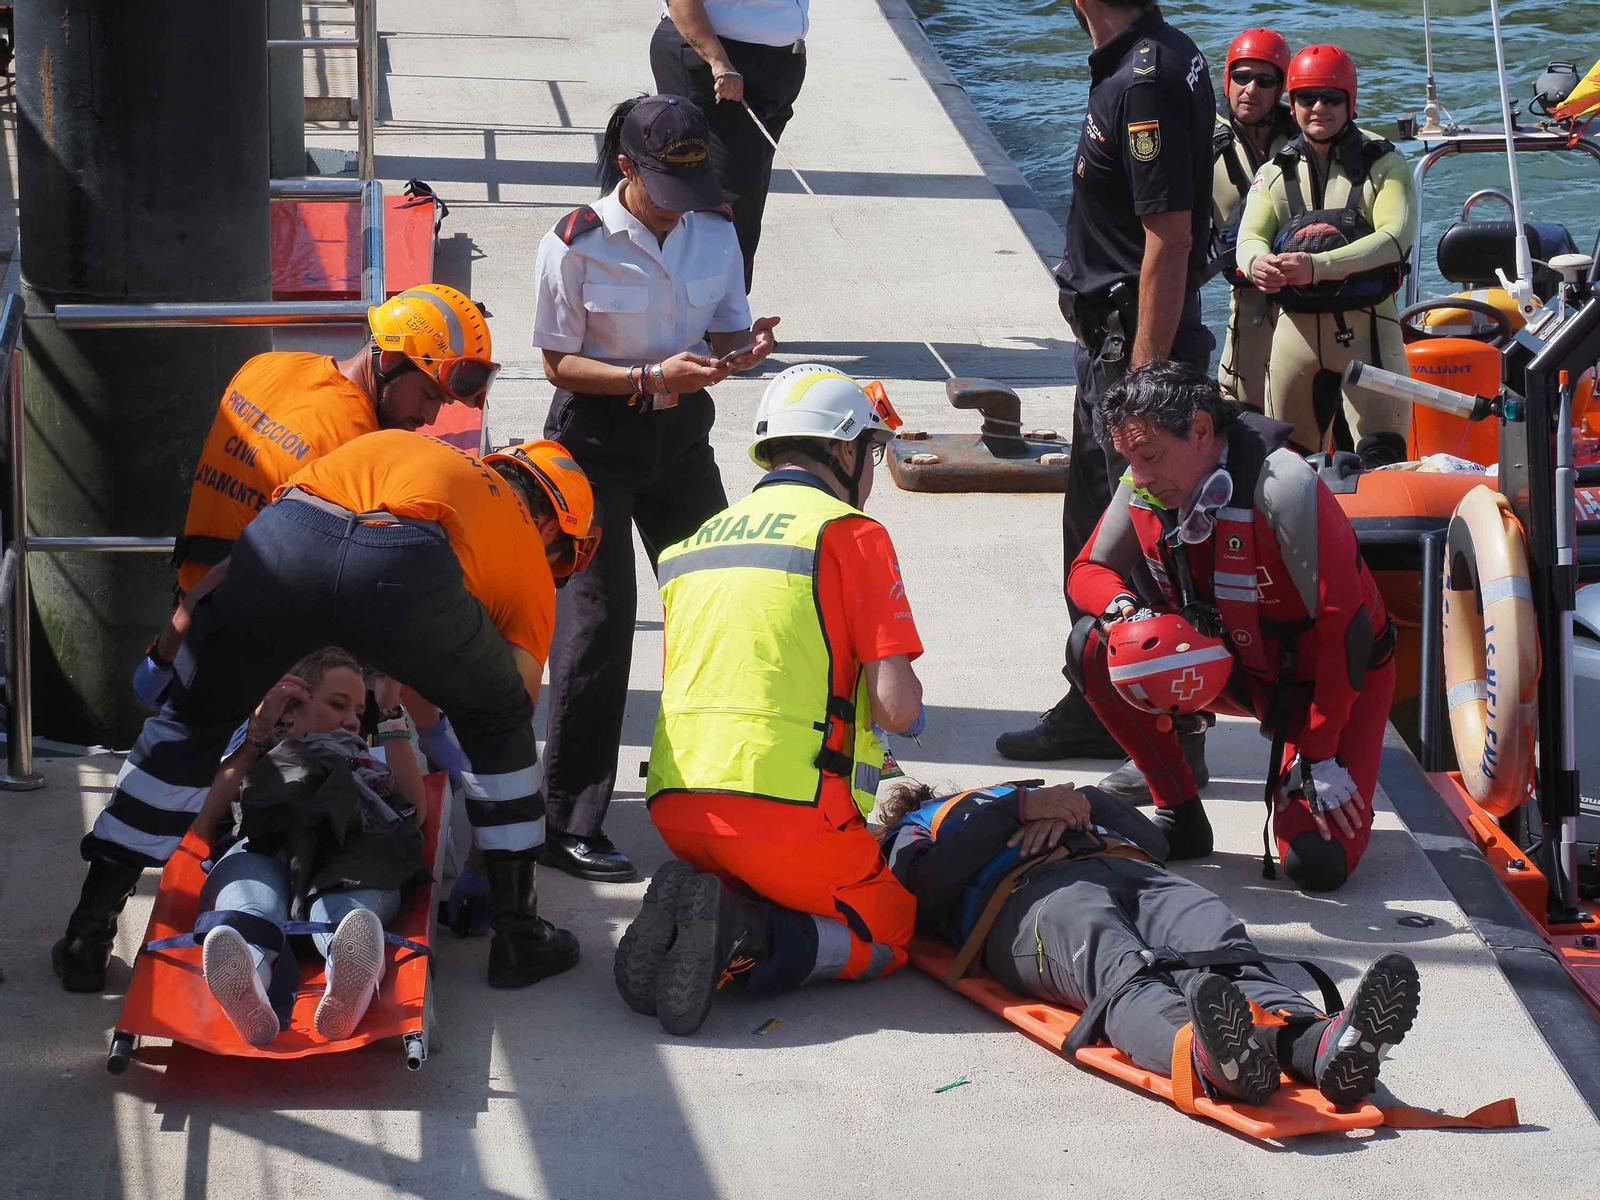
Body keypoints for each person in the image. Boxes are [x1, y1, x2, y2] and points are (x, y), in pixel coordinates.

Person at [52, 432, 597, 992]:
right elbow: (505, 724)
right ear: (553, 527)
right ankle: (519, 934)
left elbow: (226, 575)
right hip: (401, 565)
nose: (553, 567)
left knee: (188, 730)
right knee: (500, 720)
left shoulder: (405, 449)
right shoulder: (529, 555)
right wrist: (484, 872)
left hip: (289, 537)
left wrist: (167, 659)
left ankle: (87, 933)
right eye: (562, 558)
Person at [616, 366, 923, 1036]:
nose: (869, 471)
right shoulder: (849, 534)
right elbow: (897, 708)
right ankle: (747, 933)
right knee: (894, 931)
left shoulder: (693, 544)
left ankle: (712, 898)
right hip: (791, 820)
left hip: (678, 815)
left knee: (762, 870)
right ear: (842, 452)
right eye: (869, 452)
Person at [531, 93, 779, 883]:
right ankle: (567, 820)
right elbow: (557, 364)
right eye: (666, 196)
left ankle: (716, 784)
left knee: (721, 599)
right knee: (597, 627)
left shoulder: (716, 229)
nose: (681, 214)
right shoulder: (575, 244)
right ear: (627, 167)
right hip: (594, 442)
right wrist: (645, 375)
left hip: (682, 438)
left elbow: (728, 326)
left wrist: (746, 351)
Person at [879, 778, 1422, 1108]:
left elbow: (1156, 841)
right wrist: (1016, 816)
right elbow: (922, 894)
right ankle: (1206, 1055)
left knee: (1219, 939)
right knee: (1119, 965)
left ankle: (1316, 1044)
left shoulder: (1030, 793)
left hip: (1130, 868)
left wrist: (1081, 801)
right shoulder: (920, 825)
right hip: (1027, 899)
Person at [1067, 360, 1396, 892]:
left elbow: (1345, 629)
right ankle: (1178, 812)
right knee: (1092, 646)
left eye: (1149, 457)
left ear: (1201, 431)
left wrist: (1319, 750)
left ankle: (1321, 784)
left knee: (1315, 864)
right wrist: (1129, 611)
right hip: (1232, 671)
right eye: (1130, 461)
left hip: (1328, 682)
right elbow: (1088, 572)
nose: (1139, 477)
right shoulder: (1147, 482)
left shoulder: (1283, 484)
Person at [998, 0, 1217, 772]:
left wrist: (1143, 394)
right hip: (1120, 345)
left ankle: (1144, 723)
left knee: (1117, 551)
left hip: (1136, 355)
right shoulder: (1146, 58)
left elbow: (1170, 236)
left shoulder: (1145, 78)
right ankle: (1113, 705)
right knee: (1115, 543)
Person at [137, 284, 498, 707]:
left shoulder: (266, 367)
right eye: (429, 395)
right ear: (393, 360)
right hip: (256, 660)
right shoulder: (358, 451)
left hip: (187, 626)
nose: (430, 416)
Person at [188, 648, 428, 1046]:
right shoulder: (260, 755)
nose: (352, 720)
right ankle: (245, 969)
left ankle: (349, 972)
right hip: (265, 851)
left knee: (347, 912)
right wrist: (258, 730)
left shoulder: (364, 761)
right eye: (337, 705)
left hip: (347, 861)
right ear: (292, 711)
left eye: (358, 711)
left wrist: (389, 712)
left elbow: (414, 813)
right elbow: (204, 823)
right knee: (252, 907)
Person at [1236, 44, 1417, 461]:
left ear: (1350, 103)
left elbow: (1395, 237)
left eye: (1331, 98)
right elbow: (1249, 237)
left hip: (1369, 332)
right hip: (1293, 339)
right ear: (1292, 103)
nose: (1318, 107)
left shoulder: (1384, 163)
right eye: (1306, 97)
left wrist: (1316, 266)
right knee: (1288, 464)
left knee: (1380, 460)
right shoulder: (1276, 170)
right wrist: (1256, 262)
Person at [649, 0, 808, 290]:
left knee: (747, 196)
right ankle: (712, 322)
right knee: (724, 199)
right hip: (717, 62)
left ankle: (726, 318)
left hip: (777, 67)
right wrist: (719, 62)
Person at [1210, 28, 1297, 412]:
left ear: (1281, 88)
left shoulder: (1306, 135)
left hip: (1306, 293)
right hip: (1246, 293)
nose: (1250, 89)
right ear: (1227, 80)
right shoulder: (1199, 139)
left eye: (1264, 80)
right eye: (1241, 77)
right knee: (1242, 408)